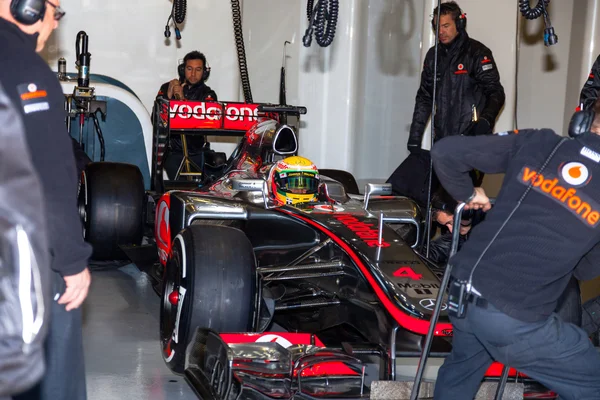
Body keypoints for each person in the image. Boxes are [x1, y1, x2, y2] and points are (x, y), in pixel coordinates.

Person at [429, 105, 600, 398]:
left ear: (581, 122)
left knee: (461, 372)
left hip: (462, 293)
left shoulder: (539, 141)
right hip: (511, 319)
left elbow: (445, 151)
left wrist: (468, 194)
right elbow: (584, 270)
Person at [0, 1, 92, 399]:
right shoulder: (28, 71)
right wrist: (71, 262)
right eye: (55, 11)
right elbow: (49, 179)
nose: (55, 24)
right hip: (18, 257)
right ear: (28, 7)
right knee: (54, 375)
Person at [156, 51, 218, 180]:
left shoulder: (208, 94)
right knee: (180, 186)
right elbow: (156, 120)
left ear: (205, 72)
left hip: (196, 152)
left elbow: (206, 123)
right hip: (172, 152)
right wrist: (168, 96)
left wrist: (182, 99)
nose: (193, 74)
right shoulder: (168, 87)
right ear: (183, 69)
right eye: (189, 69)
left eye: (198, 69)